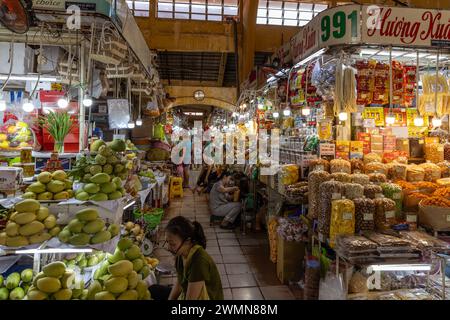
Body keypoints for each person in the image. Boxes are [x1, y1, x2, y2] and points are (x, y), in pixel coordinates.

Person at [165, 216, 223, 300]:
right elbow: (179, 283)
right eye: (167, 242)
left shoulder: (199, 261)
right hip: (188, 293)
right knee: (155, 290)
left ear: (187, 241)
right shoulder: (180, 254)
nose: (168, 248)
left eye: (172, 244)